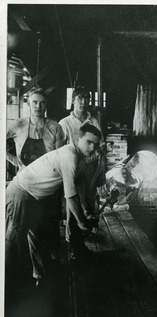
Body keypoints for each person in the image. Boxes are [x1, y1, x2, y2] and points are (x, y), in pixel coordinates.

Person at [5, 123, 103, 289]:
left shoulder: (80, 159)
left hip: (35, 198)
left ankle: (41, 278)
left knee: (38, 237)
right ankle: (7, 285)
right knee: (14, 241)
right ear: (78, 139)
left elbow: (80, 189)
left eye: (96, 144)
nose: (92, 147)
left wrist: (86, 211)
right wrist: (81, 222)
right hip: (20, 193)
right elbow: (70, 196)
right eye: (88, 142)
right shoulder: (69, 156)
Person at [6, 87, 65, 259]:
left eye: (42, 103)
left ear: (46, 105)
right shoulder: (19, 125)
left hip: (48, 186)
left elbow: (60, 159)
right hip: (24, 186)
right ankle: (22, 268)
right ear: (29, 104)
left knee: (49, 227)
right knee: (19, 228)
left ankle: (52, 268)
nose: (38, 106)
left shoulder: (56, 128)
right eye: (34, 102)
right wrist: (13, 160)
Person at [59, 87, 106, 252]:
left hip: (91, 169)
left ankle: (85, 239)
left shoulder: (94, 121)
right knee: (74, 206)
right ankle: (72, 244)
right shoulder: (65, 123)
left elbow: (101, 145)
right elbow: (59, 149)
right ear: (73, 101)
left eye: (87, 99)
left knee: (90, 205)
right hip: (73, 168)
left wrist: (101, 169)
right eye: (80, 98)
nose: (84, 103)